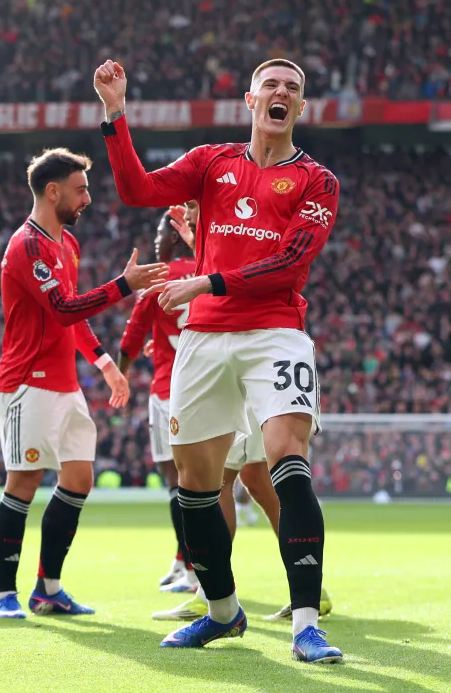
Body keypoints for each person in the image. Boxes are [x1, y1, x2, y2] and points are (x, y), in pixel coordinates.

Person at [95, 57, 344, 663]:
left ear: (301, 107)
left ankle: (306, 626)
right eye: (271, 85)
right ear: (251, 101)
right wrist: (115, 113)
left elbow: (290, 262)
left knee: (287, 458)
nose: (281, 93)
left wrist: (206, 281)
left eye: (292, 88)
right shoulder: (211, 162)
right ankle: (223, 613)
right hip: (205, 340)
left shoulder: (317, 181)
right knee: (196, 484)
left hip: (276, 332)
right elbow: (136, 190)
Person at [0, 148, 168, 619]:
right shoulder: (27, 245)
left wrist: (105, 363)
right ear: (53, 192)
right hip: (27, 382)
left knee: (79, 479)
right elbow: (64, 309)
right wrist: (123, 285)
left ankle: (48, 589)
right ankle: (4, 595)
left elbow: (71, 317)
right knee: (23, 481)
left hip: (65, 384)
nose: (87, 198)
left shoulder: (67, 243)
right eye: (80, 189)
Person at [151, 203, 333, 623]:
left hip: (250, 359)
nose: (189, 217)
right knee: (253, 478)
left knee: (231, 479)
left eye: (194, 207)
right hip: (239, 357)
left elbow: (245, 278)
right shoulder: (217, 240)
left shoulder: (246, 223)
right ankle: (309, 589)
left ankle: (212, 595)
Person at [117, 209, 198, 595]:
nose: (156, 240)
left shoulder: (158, 279)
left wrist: (120, 374)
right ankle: (184, 560)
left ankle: (192, 570)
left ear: (179, 234)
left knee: (177, 484)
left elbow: (130, 340)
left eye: (162, 232)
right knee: (206, 484)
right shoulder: (208, 271)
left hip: (169, 392)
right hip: (207, 389)